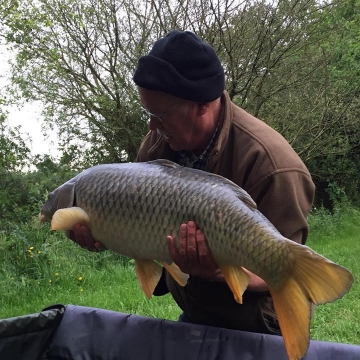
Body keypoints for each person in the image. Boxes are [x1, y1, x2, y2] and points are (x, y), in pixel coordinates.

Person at [70, 30, 315, 335]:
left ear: (203, 104)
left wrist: (218, 270)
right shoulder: (156, 146)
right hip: (196, 310)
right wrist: (105, 234)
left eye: (161, 114)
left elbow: (279, 271)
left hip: (258, 322)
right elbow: (145, 237)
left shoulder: (272, 165)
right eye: (149, 113)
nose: (152, 126)